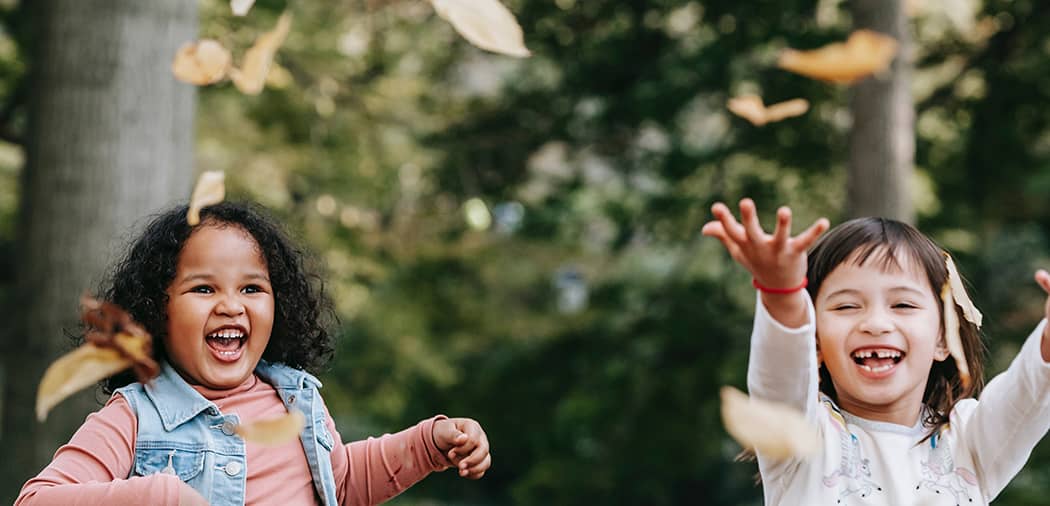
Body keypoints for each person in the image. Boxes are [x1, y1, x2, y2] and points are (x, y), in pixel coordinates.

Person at [17, 202, 491, 506]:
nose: (230, 304)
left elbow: (341, 483)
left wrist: (430, 444)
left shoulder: (296, 401)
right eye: (203, 288)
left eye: (251, 287)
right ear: (155, 311)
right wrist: (154, 496)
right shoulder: (137, 416)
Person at [702, 198, 1050, 505]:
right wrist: (782, 293)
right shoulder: (801, 437)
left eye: (902, 304)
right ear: (816, 342)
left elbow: (1027, 396)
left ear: (944, 340)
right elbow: (781, 374)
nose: (876, 323)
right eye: (847, 306)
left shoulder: (970, 440)